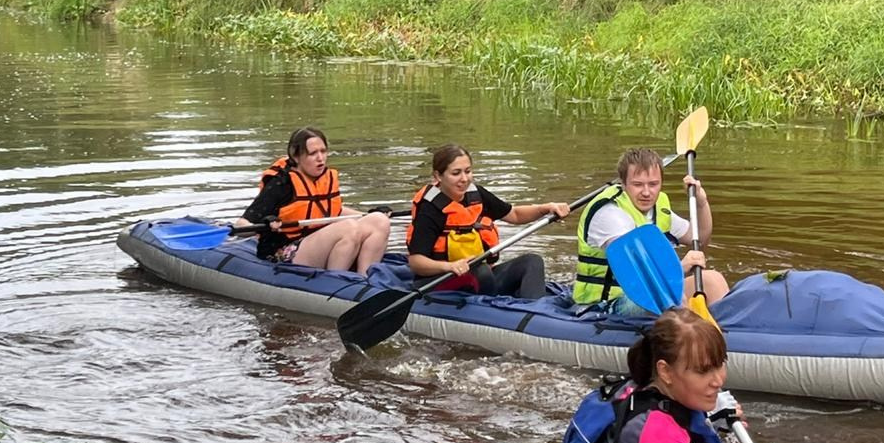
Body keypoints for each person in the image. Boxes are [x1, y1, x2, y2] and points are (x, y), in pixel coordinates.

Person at [557, 307, 738, 443]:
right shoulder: (662, 438)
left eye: (720, 363)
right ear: (665, 371)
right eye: (703, 371)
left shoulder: (635, 386)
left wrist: (709, 421)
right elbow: (659, 440)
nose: (718, 380)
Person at [573, 148, 729, 315]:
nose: (647, 192)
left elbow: (700, 239)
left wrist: (701, 203)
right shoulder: (610, 213)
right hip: (605, 305)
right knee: (670, 300)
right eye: (638, 184)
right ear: (623, 184)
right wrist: (681, 268)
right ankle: (694, 335)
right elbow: (637, 274)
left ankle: (728, 335)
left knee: (713, 280)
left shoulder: (658, 208)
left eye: (653, 184)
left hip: (649, 293)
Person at [406, 144, 571, 299]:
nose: (464, 179)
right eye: (456, 173)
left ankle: (536, 311)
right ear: (438, 176)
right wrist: (450, 266)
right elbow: (416, 262)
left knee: (532, 261)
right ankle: (495, 311)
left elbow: (514, 215)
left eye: (468, 171)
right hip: (442, 280)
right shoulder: (430, 210)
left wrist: (546, 208)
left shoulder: (476, 195)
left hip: (478, 277)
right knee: (481, 270)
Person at [238, 126, 391, 276]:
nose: (320, 158)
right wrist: (266, 223)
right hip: (284, 252)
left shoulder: (325, 179)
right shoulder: (281, 183)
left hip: (317, 243)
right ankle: (336, 282)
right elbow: (242, 224)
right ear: (296, 157)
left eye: (323, 151)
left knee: (379, 221)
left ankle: (365, 278)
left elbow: (333, 210)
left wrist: (369, 215)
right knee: (349, 228)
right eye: (313, 153)